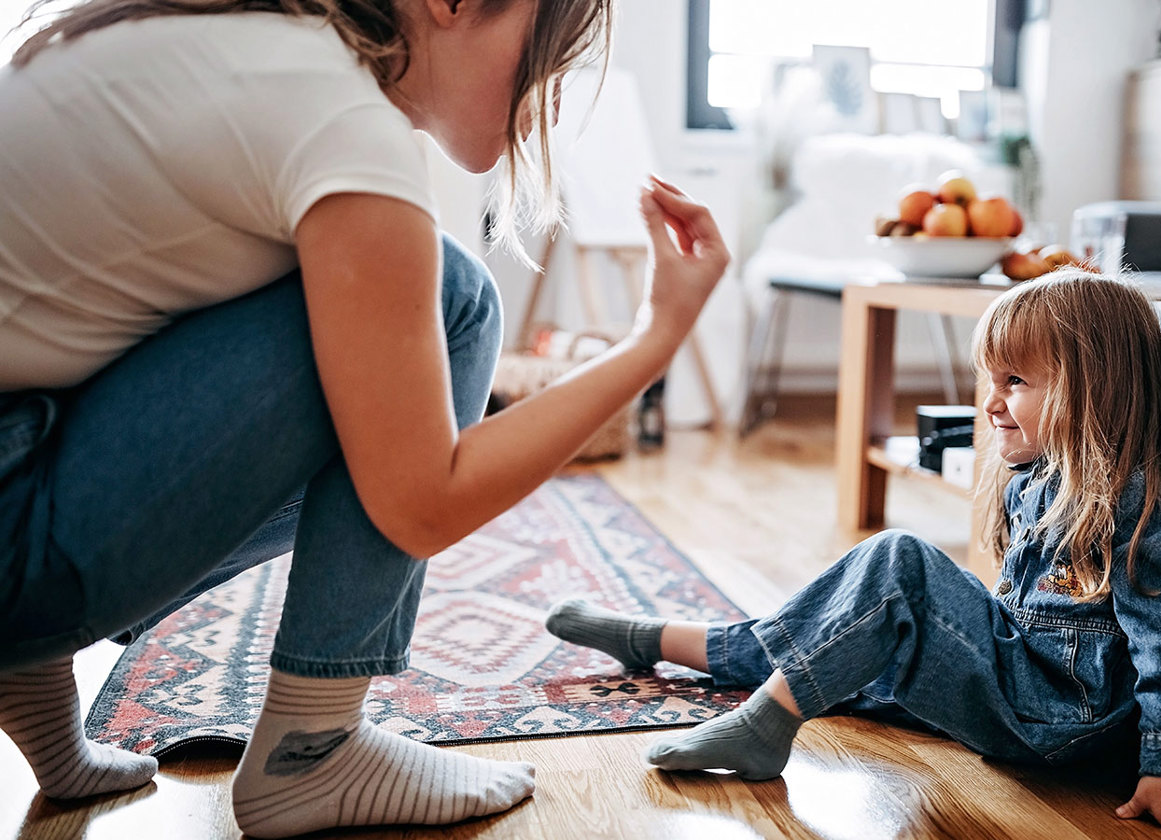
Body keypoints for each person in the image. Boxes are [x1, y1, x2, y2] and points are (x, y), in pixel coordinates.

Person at [0, 0, 729, 836]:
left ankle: (28, 665)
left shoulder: (260, 56)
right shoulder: (337, 119)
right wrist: (654, 338)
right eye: (549, 60)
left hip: (25, 443)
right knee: (452, 299)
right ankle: (312, 750)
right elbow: (422, 503)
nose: (553, 99)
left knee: (380, 335)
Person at [547, 270, 1161, 840]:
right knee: (838, 632)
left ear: (1092, 389)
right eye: (990, 381)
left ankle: (766, 727)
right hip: (1021, 682)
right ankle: (657, 639)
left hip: (1057, 717)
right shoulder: (1038, 479)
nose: (992, 403)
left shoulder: (1134, 503)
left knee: (898, 565)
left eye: (1016, 383)